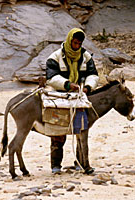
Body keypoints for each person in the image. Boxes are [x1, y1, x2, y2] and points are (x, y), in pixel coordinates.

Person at [45, 28, 99, 174]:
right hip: (60, 96)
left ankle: (80, 162)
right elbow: (51, 77)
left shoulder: (86, 56)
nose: (77, 46)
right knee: (58, 132)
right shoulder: (55, 57)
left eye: (79, 43)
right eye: (75, 43)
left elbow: (93, 74)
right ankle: (56, 166)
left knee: (80, 129)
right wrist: (67, 84)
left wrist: (88, 86)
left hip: (79, 97)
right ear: (70, 41)